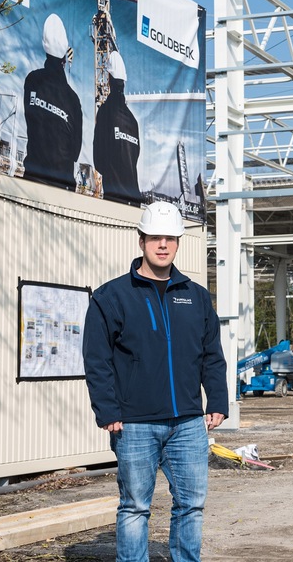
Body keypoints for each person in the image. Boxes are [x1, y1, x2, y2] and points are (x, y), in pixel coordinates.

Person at [83, 201, 229, 562]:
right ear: (141, 241)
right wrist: (108, 410)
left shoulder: (196, 297)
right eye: (154, 238)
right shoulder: (111, 297)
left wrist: (219, 401)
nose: (162, 245)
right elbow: (97, 360)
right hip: (133, 423)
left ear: (179, 242)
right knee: (134, 507)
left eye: (170, 238)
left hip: (189, 424)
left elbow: (211, 353)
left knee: (191, 505)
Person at [23, 13, 83, 189]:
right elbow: (75, 151)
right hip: (62, 186)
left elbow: (30, 121)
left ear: (44, 46)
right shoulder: (73, 99)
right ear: (65, 56)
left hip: (32, 178)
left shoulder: (32, 80)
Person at [94, 51, 142, 204]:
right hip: (135, 198)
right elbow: (135, 157)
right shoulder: (133, 121)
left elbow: (98, 160)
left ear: (108, 78)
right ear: (124, 82)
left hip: (115, 199)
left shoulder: (105, 111)